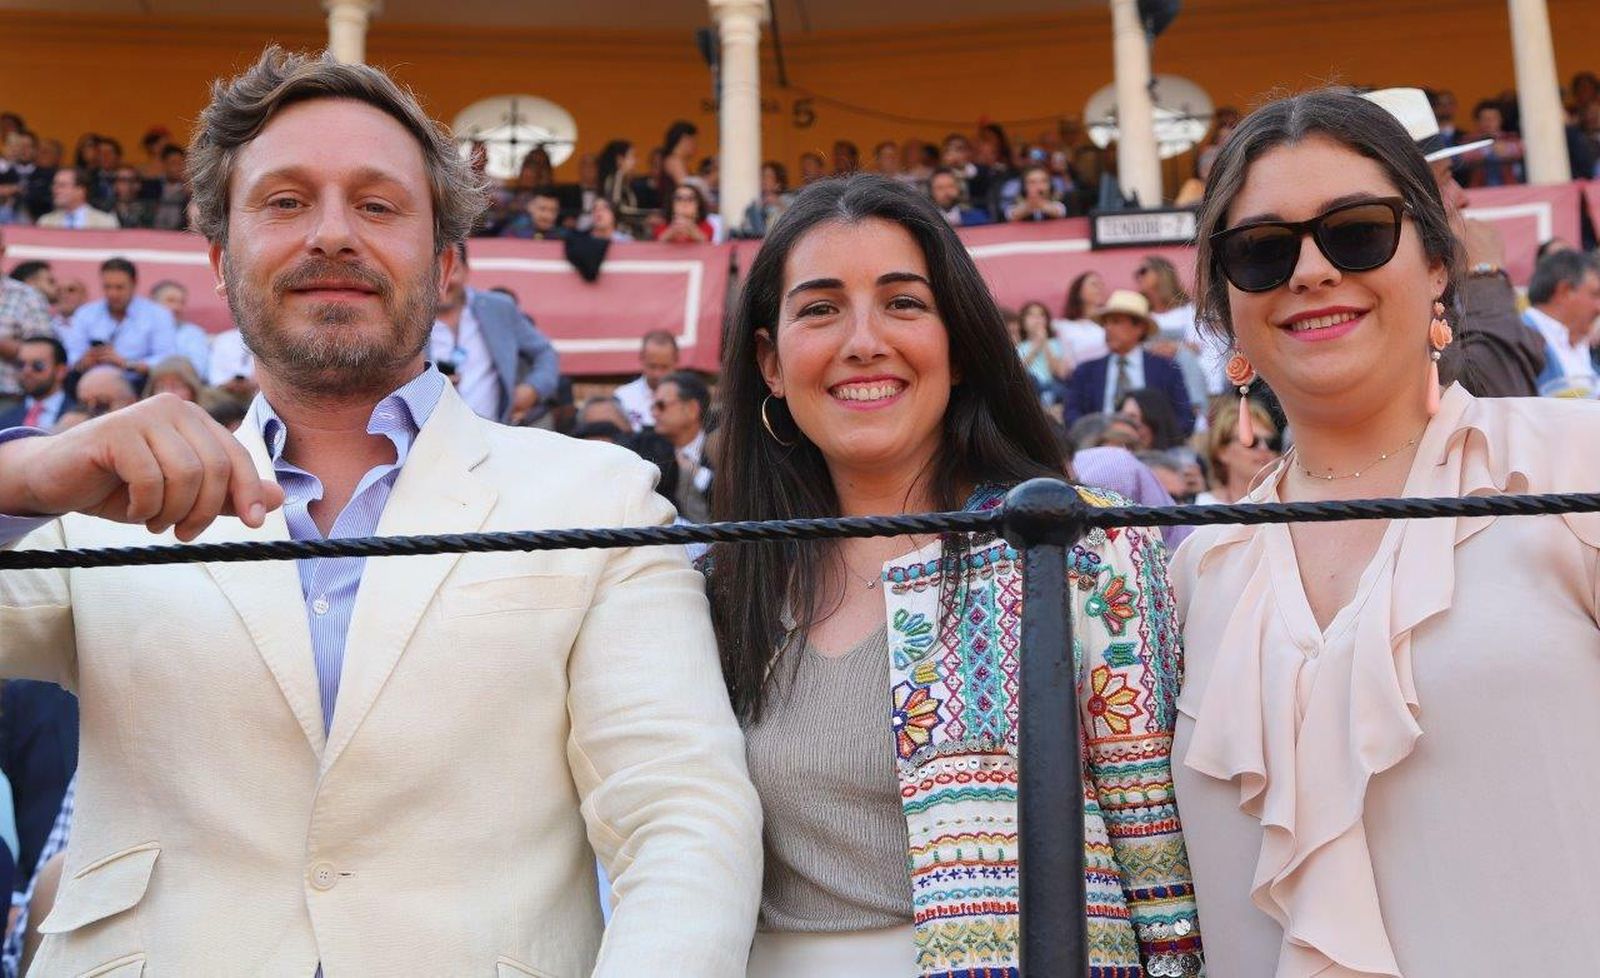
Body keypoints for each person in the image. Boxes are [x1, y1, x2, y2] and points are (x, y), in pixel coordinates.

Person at [0, 47, 760, 976]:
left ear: (444, 265)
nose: (330, 236)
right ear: (219, 259)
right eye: (284, 202)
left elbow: (680, 817)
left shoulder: (596, 497)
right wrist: (23, 478)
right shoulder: (103, 497)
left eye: (376, 204)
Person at [708, 173, 1203, 977]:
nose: (863, 340)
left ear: (961, 343)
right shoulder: (723, 587)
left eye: (903, 303)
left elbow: (1161, 870)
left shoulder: (1082, 547)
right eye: (820, 308)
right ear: (769, 360)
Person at [1173, 87, 1600, 978]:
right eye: (1260, 250)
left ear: (1439, 263)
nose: (1312, 272)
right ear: (1224, 305)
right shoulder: (1196, 573)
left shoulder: (1573, 470)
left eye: (1357, 231)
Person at [1362, 87, 1548, 398]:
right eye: (1446, 178)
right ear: (1404, 199)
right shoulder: (1382, 297)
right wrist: (1483, 274)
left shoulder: (1429, 283)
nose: (1462, 196)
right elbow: (1495, 393)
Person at [430, 241, 561, 424]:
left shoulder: (499, 308)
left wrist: (533, 389)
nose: (442, 282)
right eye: (433, 271)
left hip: (496, 436)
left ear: (467, 270)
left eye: (452, 270)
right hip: (431, 437)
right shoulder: (408, 319)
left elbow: (545, 352)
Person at [1059, 289, 1196, 433]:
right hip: (1099, 448)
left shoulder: (1166, 369)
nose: (1108, 328)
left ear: (1140, 328)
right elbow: (1071, 415)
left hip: (1152, 451)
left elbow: (1185, 418)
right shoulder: (1085, 371)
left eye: (1116, 322)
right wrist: (1097, 437)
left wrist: (1155, 438)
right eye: (1106, 323)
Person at [58, 257, 176, 381]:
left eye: (119, 287)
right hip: (90, 381)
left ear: (134, 284)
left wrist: (127, 364)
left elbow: (166, 359)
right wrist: (84, 361)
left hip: (139, 384)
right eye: (107, 287)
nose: (113, 294)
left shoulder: (157, 314)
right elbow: (71, 353)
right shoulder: (86, 313)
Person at [1524, 250, 1600, 396]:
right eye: (1595, 294)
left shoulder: (1577, 341)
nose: (1599, 307)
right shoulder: (1520, 339)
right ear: (1565, 291)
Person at [649, 370, 712, 523]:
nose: (654, 413)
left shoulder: (727, 448)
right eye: (653, 407)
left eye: (661, 406)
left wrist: (699, 475)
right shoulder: (649, 450)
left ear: (691, 409)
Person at [1192, 397, 1277, 505]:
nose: (1264, 448)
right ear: (1222, 451)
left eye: (1271, 443)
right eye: (1251, 441)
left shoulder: (1288, 502)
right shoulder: (1202, 505)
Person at [0, 336, 73, 430]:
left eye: (38, 365)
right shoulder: (5, 419)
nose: (26, 371)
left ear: (61, 371)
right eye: (21, 365)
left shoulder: (81, 416)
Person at [613, 330, 679, 430]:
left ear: (675, 362)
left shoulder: (687, 400)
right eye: (652, 366)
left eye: (664, 367)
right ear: (641, 359)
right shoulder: (622, 398)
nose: (657, 374)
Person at [149, 279, 214, 378]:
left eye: (182, 302)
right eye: (170, 300)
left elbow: (198, 369)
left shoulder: (193, 333)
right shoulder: (139, 330)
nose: (177, 307)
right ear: (153, 303)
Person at [1055, 269, 1110, 365]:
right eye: (1094, 284)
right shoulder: (1063, 326)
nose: (1100, 289)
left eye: (1101, 285)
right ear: (1078, 291)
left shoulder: (1110, 322)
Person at [35, 169, 118, 229]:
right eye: (54, 185)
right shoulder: (45, 222)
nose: (55, 189)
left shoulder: (106, 222)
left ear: (80, 190)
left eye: (62, 185)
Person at [1014, 299, 1068, 392]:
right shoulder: (1018, 346)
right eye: (1031, 315)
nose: (1037, 318)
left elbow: (1060, 373)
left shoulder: (1055, 343)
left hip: (1052, 388)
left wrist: (1045, 344)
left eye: (1041, 315)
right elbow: (1017, 372)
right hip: (1029, 389)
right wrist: (1035, 347)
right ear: (1022, 321)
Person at [1116, 387, 1184, 450]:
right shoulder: (1115, 459)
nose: (1125, 425)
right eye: (1122, 418)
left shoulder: (1180, 459)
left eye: (1132, 417)